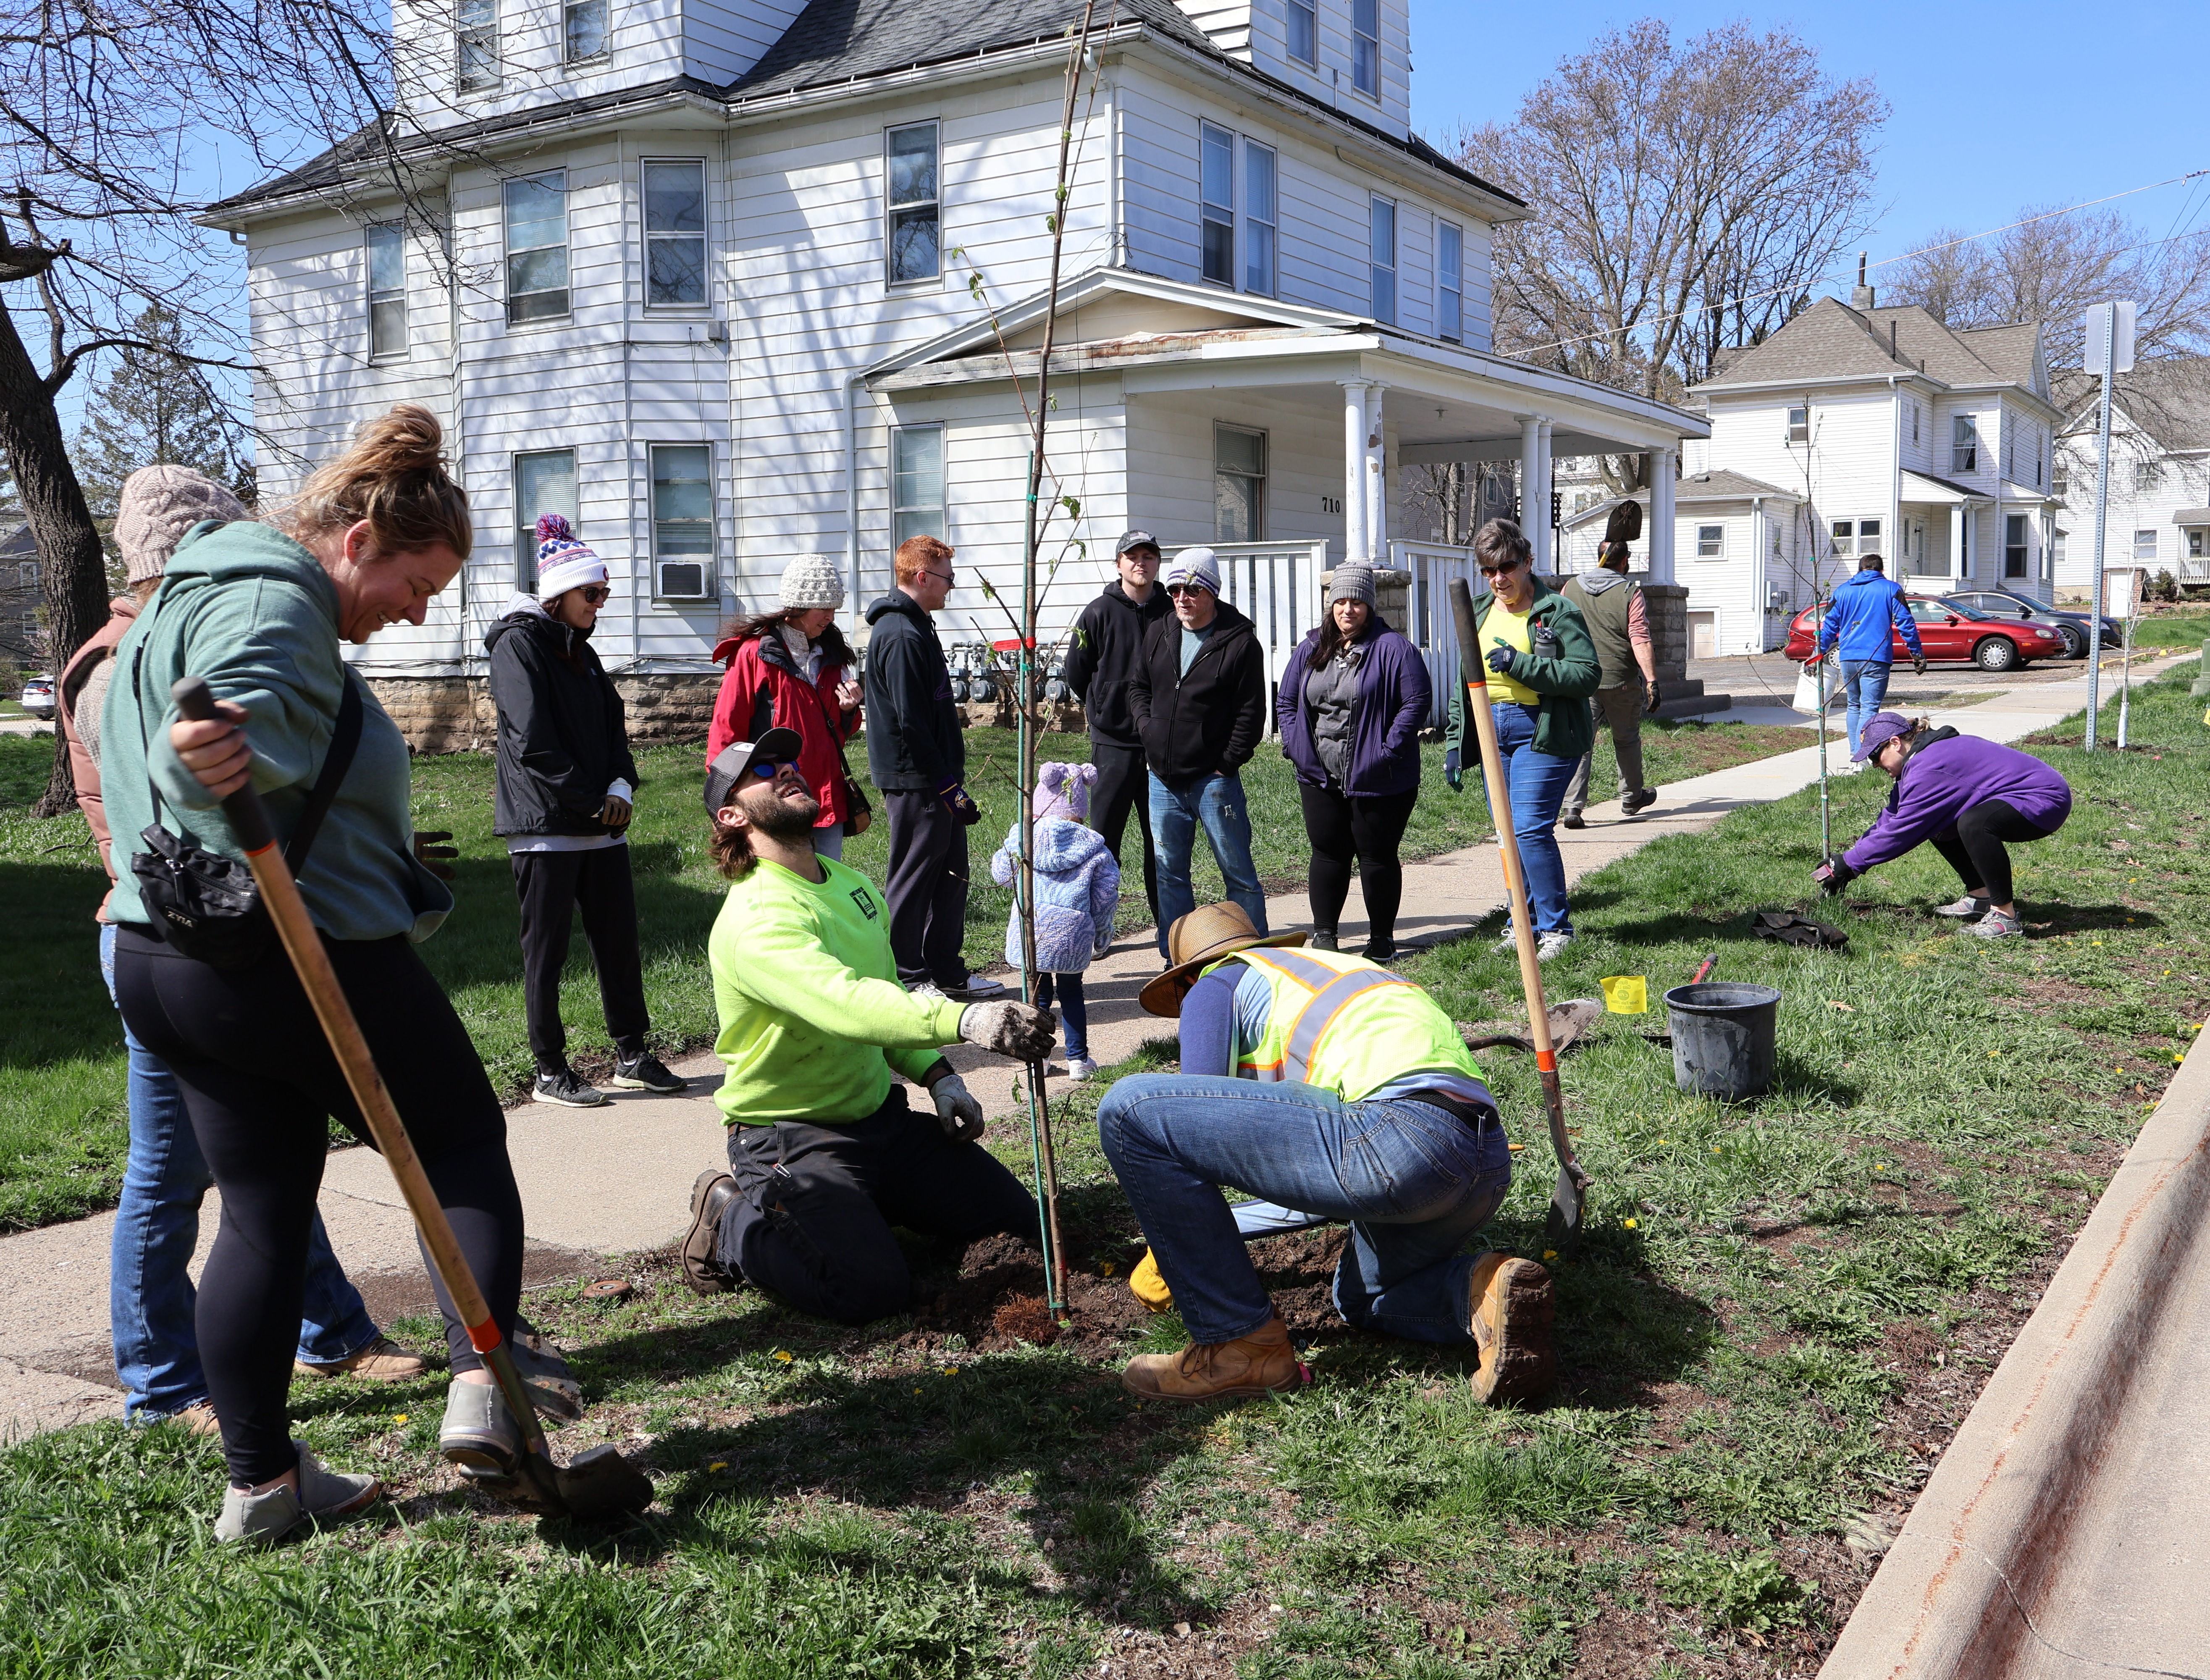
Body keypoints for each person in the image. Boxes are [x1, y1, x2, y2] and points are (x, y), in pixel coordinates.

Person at [102, 405, 572, 1545]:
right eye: (416, 580)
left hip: (162, 954)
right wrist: (217, 753)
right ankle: (481, 1396)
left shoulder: (185, 592)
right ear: (356, 540)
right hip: (287, 950)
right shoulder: (273, 597)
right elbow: (228, 721)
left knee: (262, 1210)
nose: (416, 610)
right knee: (461, 1140)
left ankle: (260, 1488)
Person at [60, 465, 425, 1437]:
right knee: (172, 1175)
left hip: (244, 935)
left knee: (268, 1156)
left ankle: (330, 1329)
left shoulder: (196, 626)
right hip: (169, 937)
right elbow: (174, 789)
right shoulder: (122, 657)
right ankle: (164, 1385)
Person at [1094, 902, 1556, 1404]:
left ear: (1186, 981)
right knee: (1362, 1299)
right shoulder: (1332, 970)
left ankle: (1240, 1345)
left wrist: (1172, 1249)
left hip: (1397, 1142)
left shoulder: (1215, 984)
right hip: (1479, 1160)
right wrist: (1221, 1229)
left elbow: (1183, 1125)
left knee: (1131, 1109)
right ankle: (1482, 1291)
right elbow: (1316, 1178)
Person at [678, 728, 1057, 1322]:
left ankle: (859, 1210)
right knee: (868, 1292)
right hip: (791, 1139)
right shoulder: (756, 917)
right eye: (763, 770)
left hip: (881, 1123)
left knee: (1018, 1223)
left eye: (789, 759)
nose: (786, 769)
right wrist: (968, 1017)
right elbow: (847, 1006)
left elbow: (886, 999)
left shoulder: (851, 887)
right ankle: (729, 1221)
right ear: (731, 815)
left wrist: (937, 1076)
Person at [488, 514, 682, 1108]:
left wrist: (621, 785)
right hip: (545, 828)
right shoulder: (518, 646)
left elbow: (612, 727)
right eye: (591, 594)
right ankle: (550, 1069)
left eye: (603, 594)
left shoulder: (585, 653)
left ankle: (631, 1055)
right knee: (545, 955)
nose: (599, 604)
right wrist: (591, 799)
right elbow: (532, 742)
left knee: (618, 945)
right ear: (557, 593)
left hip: (600, 825)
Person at [1442, 519, 1601, 961]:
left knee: (1530, 829)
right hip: (1492, 730)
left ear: (1528, 563)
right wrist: (1456, 744)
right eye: (1488, 570)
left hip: (1542, 730)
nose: (1499, 579)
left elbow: (1587, 674)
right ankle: (1522, 925)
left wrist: (1522, 665)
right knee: (1507, 833)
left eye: (1507, 567)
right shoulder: (1476, 610)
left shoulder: (1557, 612)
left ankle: (1555, 930)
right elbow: (1463, 683)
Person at [863, 535, 1005, 1001]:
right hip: (917, 781)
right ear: (922, 576)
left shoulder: (919, 625)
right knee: (915, 874)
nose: (952, 587)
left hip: (938, 779)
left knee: (952, 874)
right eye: (947, 578)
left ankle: (946, 968)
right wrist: (945, 785)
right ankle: (906, 974)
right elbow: (911, 722)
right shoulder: (900, 634)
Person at [1276, 563, 1431, 963]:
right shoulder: (1311, 647)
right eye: (1340, 602)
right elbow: (1287, 702)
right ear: (1331, 606)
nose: (1348, 610)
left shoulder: (1395, 649)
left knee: (1376, 857)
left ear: (1370, 605)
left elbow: (1416, 702)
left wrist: (1386, 751)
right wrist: (1297, 747)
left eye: (1357, 602)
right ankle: (1325, 934)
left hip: (1379, 777)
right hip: (1319, 773)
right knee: (1327, 853)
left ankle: (1381, 939)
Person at [1814, 712, 2071, 940]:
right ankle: (1981, 896)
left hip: (2043, 801)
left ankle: (2005, 917)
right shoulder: (1917, 764)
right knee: (1940, 825)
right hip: (2018, 799)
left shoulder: (1930, 767)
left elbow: (1905, 829)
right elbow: (1892, 817)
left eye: (1875, 756)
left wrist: (1852, 863)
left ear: (1895, 743)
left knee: (1974, 823)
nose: (1875, 765)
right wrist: (1847, 861)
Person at [1126, 546, 1269, 952]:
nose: (1182, 599)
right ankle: (1178, 957)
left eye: (1192, 590)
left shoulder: (1240, 643)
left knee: (1237, 871)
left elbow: (1251, 713)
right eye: (1174, 590)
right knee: (1169, 872)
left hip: (1214, 782)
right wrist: (1147, 728)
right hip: (1162, 780)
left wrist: (1227, 763)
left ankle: (1255, 955)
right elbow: (1138, 687)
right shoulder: (1159, 630)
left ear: (1212, 592)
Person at [707, 554, 865, 863]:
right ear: (798, 606)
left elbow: (838, 736)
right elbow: (726, 732)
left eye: (835, 607)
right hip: (774, 797)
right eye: (824, 607)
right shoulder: (753, 655)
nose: (831, 617)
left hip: (824, 798)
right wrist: (722, 799)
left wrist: (848, 711)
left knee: (827, 884)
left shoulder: (832, 657)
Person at [1062, 530, 1171, 941]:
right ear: (1119, 564)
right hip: (1113, 746)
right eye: (1132, 557)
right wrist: (1105, 705)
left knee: (1162, 844)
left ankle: (1169, 929)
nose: (1140, 563)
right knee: (1103, 844)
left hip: (1162, 746)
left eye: (1148, 556)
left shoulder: (1171, 611)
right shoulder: (1097, 613)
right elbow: (1077, 670)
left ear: (1158, 563)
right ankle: (1094, 931)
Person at [989, 762, 1119, 1080]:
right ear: (1080, 809)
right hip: (1073, 933)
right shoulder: (1094, 848)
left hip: (1032, 927)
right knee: (1072, 993)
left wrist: (1013, 839)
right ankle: (1078, 1060)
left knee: (1038, 994)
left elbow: (1002, 875)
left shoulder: (1025, 839)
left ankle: (1040, 1061)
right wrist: (1102, 933)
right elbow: (1105, 896)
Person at [1559, 507, 1660, 829]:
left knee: (1581, 742)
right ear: (1624, 562)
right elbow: (1640, 638)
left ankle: (1572, 808)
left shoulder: (1570, 588)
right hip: (1621, 681)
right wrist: (1652, 681)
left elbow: (1559, 629)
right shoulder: (1630, 592)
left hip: (1580, 680)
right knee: (1626, 739)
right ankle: (1632, 798)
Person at [1814, 554, 1926, 756]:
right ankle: (1862, 758)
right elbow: (1906, 623)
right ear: (1881, 571)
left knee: (1853, 705)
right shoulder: (1891, 589)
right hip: (1876, 657)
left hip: (1847, 656)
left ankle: (1854, 755)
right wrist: (1917, 653)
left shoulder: (1842, 591)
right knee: (1869, 708)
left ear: (1860, 570)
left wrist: (1817, 653)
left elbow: (1828, 627)